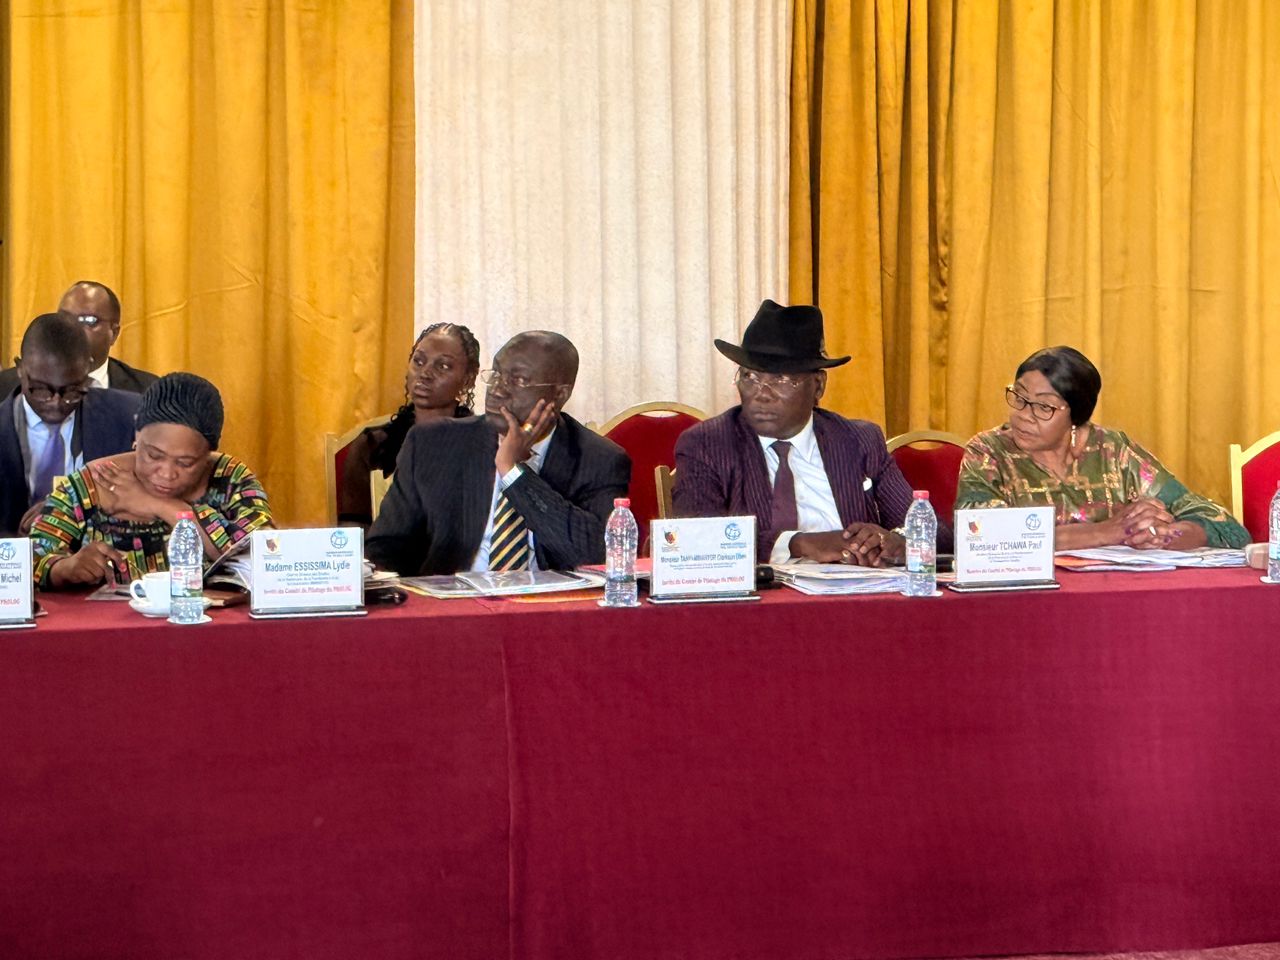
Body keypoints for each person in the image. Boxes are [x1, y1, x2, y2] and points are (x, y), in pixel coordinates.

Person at [674, 299, 951, 565]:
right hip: (760, 594)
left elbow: (936, 531)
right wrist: (800, 544)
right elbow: (695, 540)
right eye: (750, 377)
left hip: (857, 589)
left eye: (781, 380)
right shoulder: (708, 443)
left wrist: (897, 541)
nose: (761, 394)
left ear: (818, 386)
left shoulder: (859, 441)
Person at [366, 330, 631, 575]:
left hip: (546, 605)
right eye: (495, 375)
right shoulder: (433, 443)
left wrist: (513, 472)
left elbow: (598, 556)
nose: (497, 390)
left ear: (559, 394)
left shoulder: (598, 458)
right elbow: (385, 549)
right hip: (455, 603)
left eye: (518, 380)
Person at [955, 345, 1249, 549]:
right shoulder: (988, 451)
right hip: (1027, 601)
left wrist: (1166, 535)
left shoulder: (1113, 451)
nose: (1023, 415)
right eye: (1019, 398)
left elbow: (1228, 528)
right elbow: (978, 534)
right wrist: (1106, 532)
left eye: (1044, 407)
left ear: (1076, 416)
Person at [30, 372, 273, 589]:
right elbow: (28, 562)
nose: (166, 473)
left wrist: (166, 507)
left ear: (208, 455)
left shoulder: (230, 478)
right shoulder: (95, 482)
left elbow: (267, 556)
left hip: (207, 623)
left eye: (185, 463)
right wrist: (66, 568)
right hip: (108, 625)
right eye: (154, 455)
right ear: (137, 433)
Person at [0, 313, 141, 537]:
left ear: (87, 370)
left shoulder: (128, 417)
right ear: (20, 369)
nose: (56, 403)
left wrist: (75, 504)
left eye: (72, 391)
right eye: (41, 389)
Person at [338, 323, 481, 527]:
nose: (425, 373)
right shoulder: (372, 447)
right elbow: (353, 529)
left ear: (468, 380)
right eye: (419, 361)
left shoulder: (483, 445)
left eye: (443, 366)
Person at [0, 281, 159, 396]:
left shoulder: (147, 391)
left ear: (114, 333)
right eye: (64, 318)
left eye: (88, 321)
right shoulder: (7, 386)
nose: (71, 328)